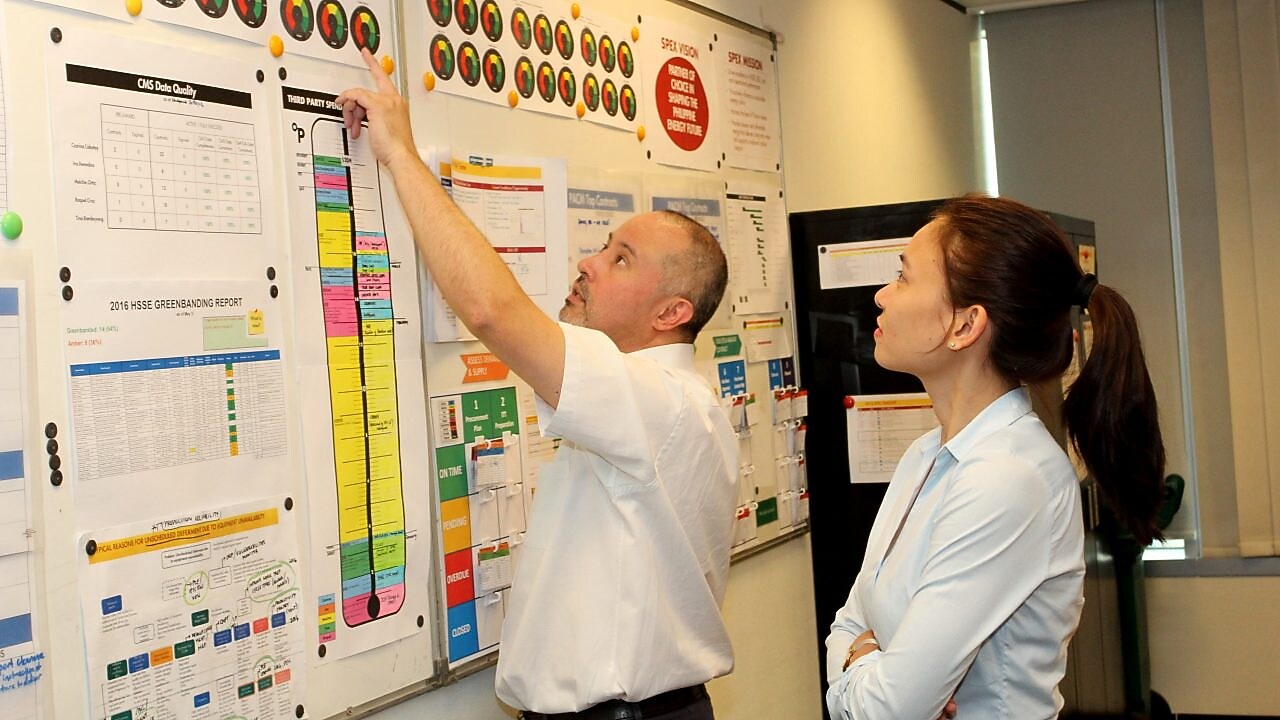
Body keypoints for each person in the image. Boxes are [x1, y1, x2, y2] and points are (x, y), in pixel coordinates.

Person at [337, 51, 737, 719]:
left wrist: (400, 154)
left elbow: (493, 310)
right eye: (605, 246)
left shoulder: (658, 401)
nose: (589, 262)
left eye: (620, 259)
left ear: (673, 313)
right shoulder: (663, 406)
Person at [825, 194, 1165, 719]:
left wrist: (865, 664)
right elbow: (847, 622)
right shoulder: (925, 455)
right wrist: (866, 660)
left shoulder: (1007, 477)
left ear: (966, 326)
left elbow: (888, 710)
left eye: (904, 276)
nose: (881, 296)